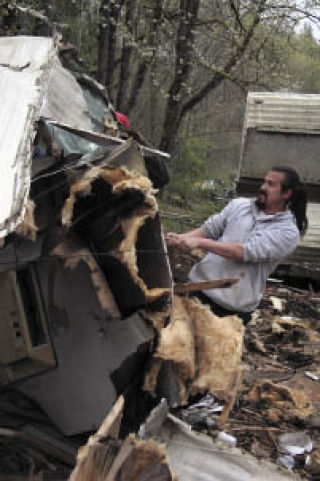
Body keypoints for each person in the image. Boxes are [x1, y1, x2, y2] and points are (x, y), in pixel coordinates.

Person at [166, 166, 308, 324]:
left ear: (286, 194)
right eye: (264, 182)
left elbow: (244, 252)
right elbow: (210, 229)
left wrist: (200, 243)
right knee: (175, 345)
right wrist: (180, 238)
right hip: (195, 290)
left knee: (214, 349)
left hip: (230, 310)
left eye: (271, 184)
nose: (263, 187)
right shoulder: (240, 205)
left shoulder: (287, 232)